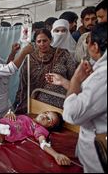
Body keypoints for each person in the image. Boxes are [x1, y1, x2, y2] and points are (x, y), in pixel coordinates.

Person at [45, 22, 107, 173]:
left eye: (88, 42)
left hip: (99, 145)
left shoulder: (101, 76)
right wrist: (64, 81)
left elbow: (71, 114)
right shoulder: (97, 70)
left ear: (95, 46)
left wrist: (74, 80)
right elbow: (89, 95)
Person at [13, 28, 76, 114]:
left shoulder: (63, 54)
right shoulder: (30, 58)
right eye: (39, 41)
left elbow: (73, 77)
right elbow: (24, 82)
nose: (42, 44)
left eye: (45, 41)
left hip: (60, 101)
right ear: (35, 42)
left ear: (50, 40)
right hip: (36, 103)